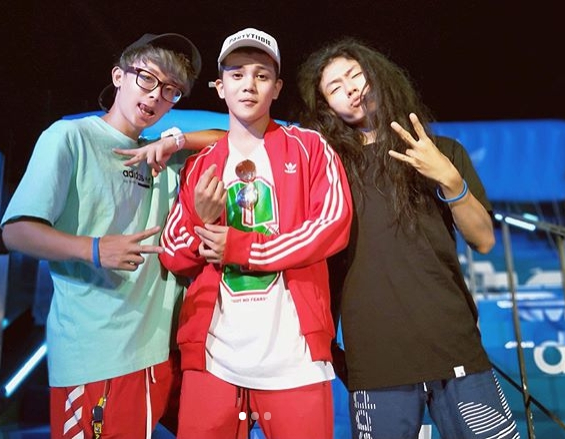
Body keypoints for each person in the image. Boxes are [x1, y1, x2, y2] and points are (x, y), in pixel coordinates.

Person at [296, 37, 521, 439]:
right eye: (335, 87)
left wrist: (451, 181)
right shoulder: (328, 167)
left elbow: (484, 240)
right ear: (327, 107)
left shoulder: (442, 150)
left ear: (378, 75)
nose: (350, 89)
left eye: (355, 75)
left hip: (455, 347)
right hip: (376, 361)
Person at [0, 32, 219, 439]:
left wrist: (177, 140)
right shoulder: (69, 137)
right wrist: (95, 248)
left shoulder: (162, 155)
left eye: (170, 90)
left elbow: (239, 140)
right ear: (119, 76)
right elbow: (16, 232)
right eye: (147, 78)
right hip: (99, 357)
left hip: (163, 352)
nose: (155, 96)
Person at [158, 28, 352, 439]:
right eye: (237, 74)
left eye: (262, 75)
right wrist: (204, 222)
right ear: (220, 87)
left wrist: (241, 247)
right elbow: (173, 253)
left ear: (277, 88)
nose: (249, 84)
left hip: (295, 359)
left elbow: (333, 224)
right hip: (213, 359)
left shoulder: (309, 147)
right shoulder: (200, 164)